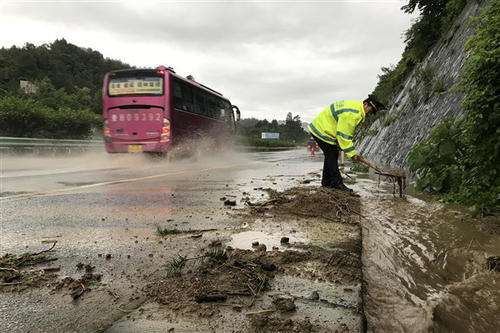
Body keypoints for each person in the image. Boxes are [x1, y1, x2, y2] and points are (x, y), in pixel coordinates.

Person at [308, 94, 385, 192]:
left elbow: (345, 132)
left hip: (325, 129)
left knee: (331, 154)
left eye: (372, 113)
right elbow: (343, 135)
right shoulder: (353, 114)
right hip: (322, 130)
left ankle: (327, 183)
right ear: (365, 104)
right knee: (332, 154)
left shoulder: (357, 111)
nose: (370, 114)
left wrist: (340, 145)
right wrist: (352, 153)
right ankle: (336, 183)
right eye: (370, 111)